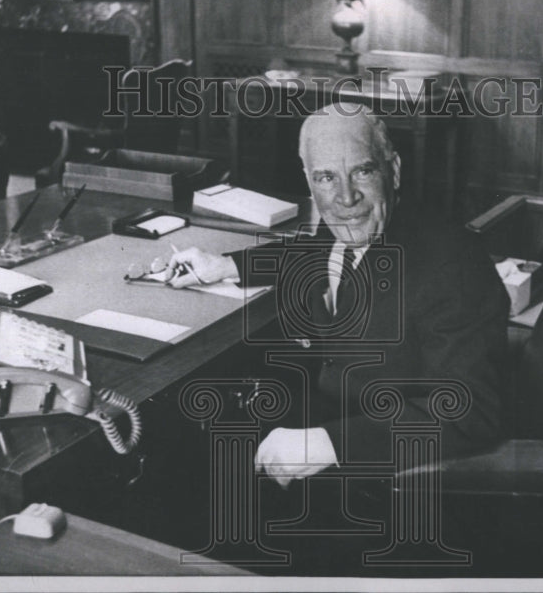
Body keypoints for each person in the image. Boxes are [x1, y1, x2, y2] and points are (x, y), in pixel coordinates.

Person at [164, 103, 510, 487]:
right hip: (329, 411)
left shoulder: (454, 265)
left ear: (393, 171)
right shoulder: (349, 225)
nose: (346, 197)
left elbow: (469, 413)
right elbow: (315, 254)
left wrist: (328, 445)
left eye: (362, 171)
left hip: (386, 477)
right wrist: (226, 265)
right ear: (310, 182)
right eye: (326, 178)